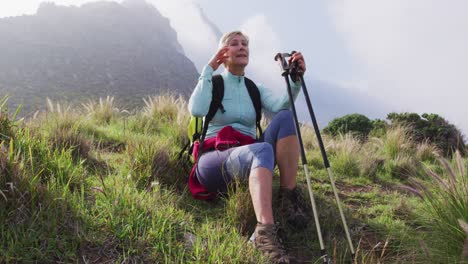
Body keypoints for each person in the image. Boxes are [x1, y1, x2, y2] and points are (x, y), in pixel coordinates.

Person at [188, 30, 307, 263]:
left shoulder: (254, 88)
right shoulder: (214, 83)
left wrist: (295, 80)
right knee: (262, 149)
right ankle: (263, 236)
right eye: (234, 44)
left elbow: (280, 105)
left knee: (285, 117)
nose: (242, 47)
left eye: (245, 44)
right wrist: (208, 69)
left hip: (249, 159)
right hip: (214, 161)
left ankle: (287, 199)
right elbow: (197, 109)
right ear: (223, 52)